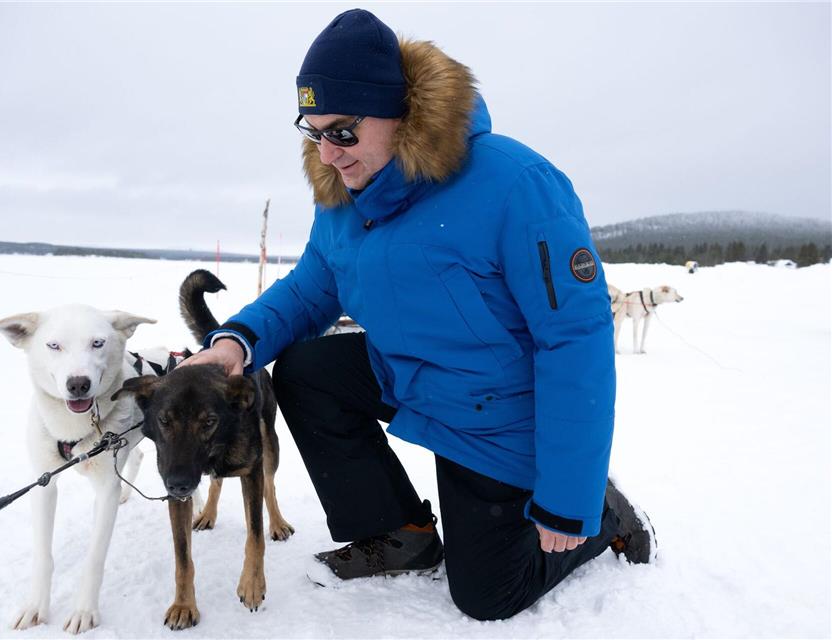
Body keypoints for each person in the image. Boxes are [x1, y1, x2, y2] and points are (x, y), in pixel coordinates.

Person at [180, 8, 656, 620]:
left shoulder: (515, 184)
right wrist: (235, 343)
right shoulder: (343, 201)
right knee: (305, 369)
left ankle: (604, 517)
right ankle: (400, 529)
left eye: (343, 131)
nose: (327, 154)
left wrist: (571, 496)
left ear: (398, 112)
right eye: (313, 130)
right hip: (412, 377)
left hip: (496, 416)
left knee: (487, 595)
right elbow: (309, 290)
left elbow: (575, 341)